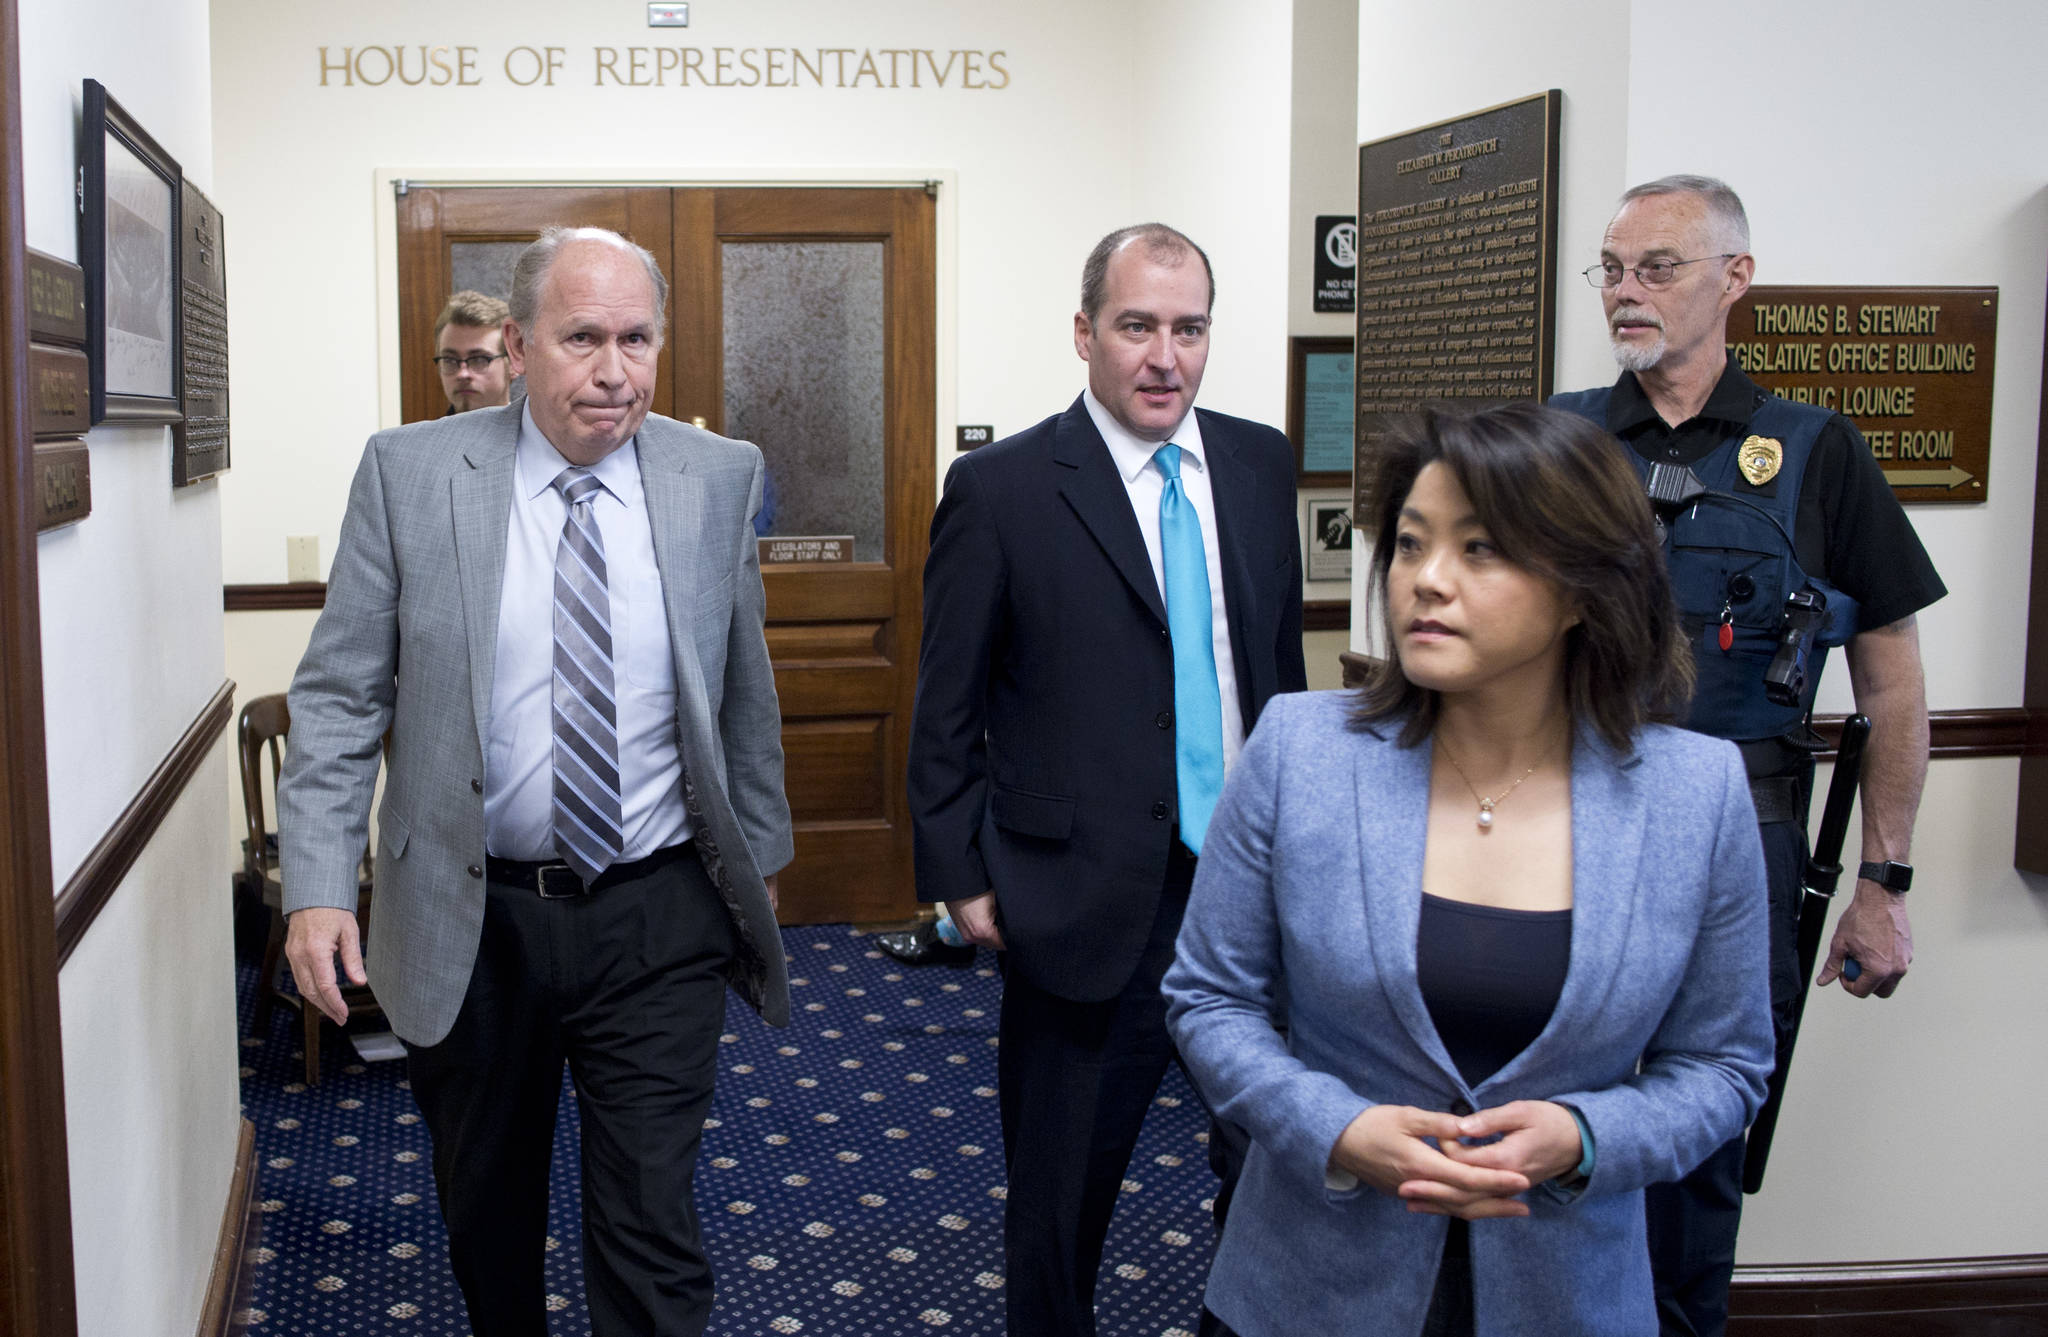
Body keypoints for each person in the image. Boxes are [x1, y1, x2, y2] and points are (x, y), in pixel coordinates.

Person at [1164, 402, 1775, 1337]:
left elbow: (1724, 1064)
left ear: (1583, 588)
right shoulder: (1301, 750)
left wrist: (1585, 1138)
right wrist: (1335, 1127)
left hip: (1566, 1292)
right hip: (1308, 1290)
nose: (1426, 581)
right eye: (1410, 545)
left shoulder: (1697, 796)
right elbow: (1210, 998)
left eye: (1480, 549)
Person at [279, 227, 791, 1337]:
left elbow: (741, 690)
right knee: (487, 1213)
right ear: (516, 344)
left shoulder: (718, 476)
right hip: (475, 915)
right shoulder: (411, 472)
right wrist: (318, 882)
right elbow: (339, 693)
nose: (616, 371)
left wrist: (759, 864)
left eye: (637, 338)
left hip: (657, 912)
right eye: (582, 339)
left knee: (652, 1223)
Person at [1550, 175, 1945, 1337]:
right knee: (1547, 1118)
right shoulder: (1557, 441)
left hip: (1742, 846)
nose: (1626, 292)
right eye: (1611, 269)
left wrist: (1882, 881)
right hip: (1565, 834)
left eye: (1655, 267)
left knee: (1698, 1151)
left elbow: (1889, 675)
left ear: (1734, 278)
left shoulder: (1815, 453)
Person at [908, 222, 1307, 1335]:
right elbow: (947, 700)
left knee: (1274, 1171)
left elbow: (1275, 667)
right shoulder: (1001, 487)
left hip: (1249, 885)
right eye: (1137, 326)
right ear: (1085, 333)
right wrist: (956, 868)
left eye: (1187, 328)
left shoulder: (1257, 461)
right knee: (1061, 1193)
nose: (1163, 356)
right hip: (1078, 896)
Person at [433, 289, 514, 413]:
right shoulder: (423, 433)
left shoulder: (539, 432)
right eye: (450, 360)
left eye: (479, 360)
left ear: (513, 364)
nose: (462, 374)